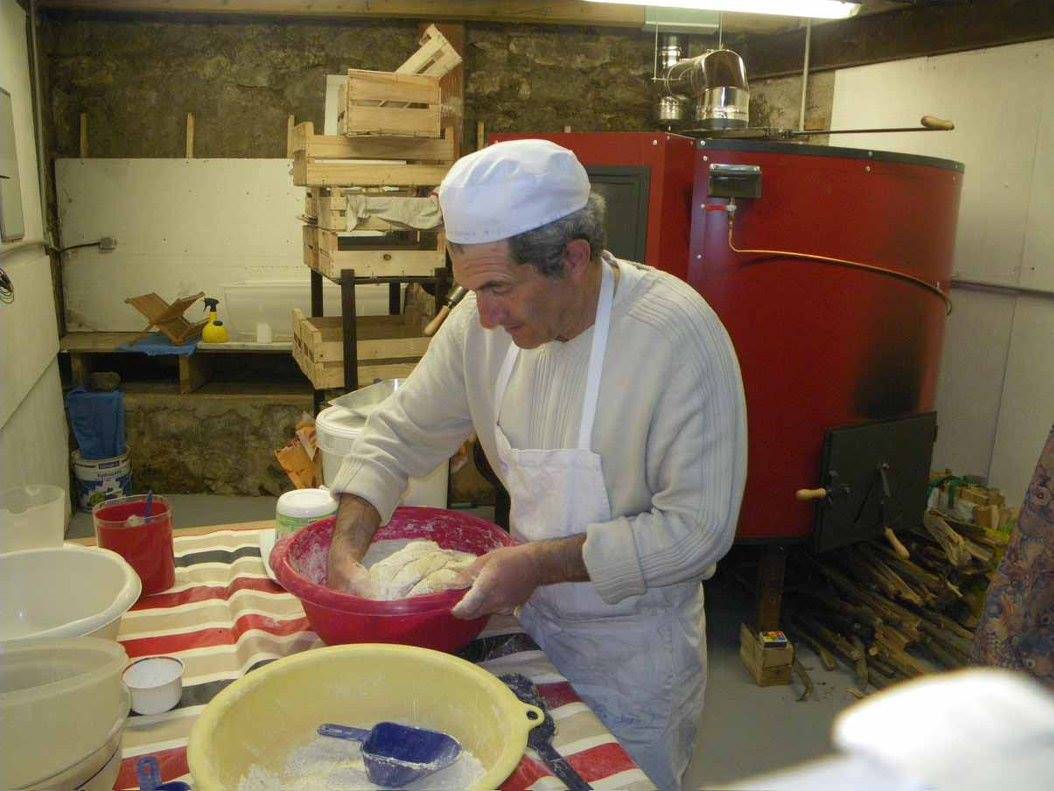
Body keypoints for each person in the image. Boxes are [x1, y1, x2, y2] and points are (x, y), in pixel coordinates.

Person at [327, 139, 747, 789]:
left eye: (498, 287)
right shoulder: (478, 323)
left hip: (634, 665)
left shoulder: (677, 339)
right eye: (471, 289)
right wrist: (346, 550)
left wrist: (537, 562)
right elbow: (397, 435)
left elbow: (697, 530)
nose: (484, 316)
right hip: (526, 637)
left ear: (573, 259)